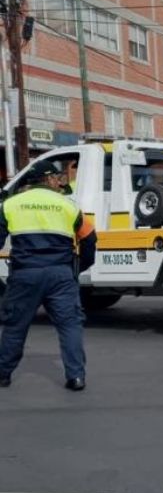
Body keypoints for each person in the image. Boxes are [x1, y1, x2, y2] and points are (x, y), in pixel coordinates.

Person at [0, 162, 97, 390]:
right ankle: (76, 377)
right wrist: (79, 266)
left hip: (26, 274)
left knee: (15, 325)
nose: (59, 182)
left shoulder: (10, 205)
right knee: (69, 325)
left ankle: (3, 374)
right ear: (49, 180)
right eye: (57, 177)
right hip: (61, 275)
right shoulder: (68, 205)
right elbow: (90, 238)